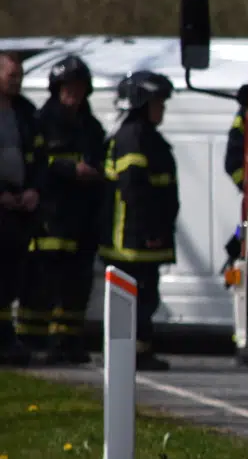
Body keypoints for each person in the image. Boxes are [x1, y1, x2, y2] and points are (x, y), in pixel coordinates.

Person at [16, 55, 107, 364]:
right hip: (49, 218)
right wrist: (69, 169)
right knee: (41, 282)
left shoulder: (91, 127)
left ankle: (66, 341)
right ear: (56, 89)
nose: (74, 94)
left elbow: (103, 162)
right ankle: (30, 339)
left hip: (82, 218)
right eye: (68, 87)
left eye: (79, 88)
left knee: (76, 285)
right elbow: (37, 165)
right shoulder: (41, 123)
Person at [99, 70, 178, 372]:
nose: (163, 108)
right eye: (158, 102)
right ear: (142, 103)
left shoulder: (147, 137)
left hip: (142, 239)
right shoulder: (133, 138)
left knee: (145, 298)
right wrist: (150, 232)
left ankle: (139, 351)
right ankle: (129, 353)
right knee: (135, 299)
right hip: (131, 239)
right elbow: (134, 191)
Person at [0, 50, 45, 366]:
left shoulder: (26, 112)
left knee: (11, 274)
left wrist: (33, 189)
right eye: (11, 75)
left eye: (20, 76)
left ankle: (5, 336)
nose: (17, 82)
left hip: (19, 205)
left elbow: (40, 157)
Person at [223, 83, 248, 365]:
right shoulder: (244, 119)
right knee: (236, 253)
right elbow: (232, 163)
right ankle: (240, 339)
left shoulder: (246, 117)